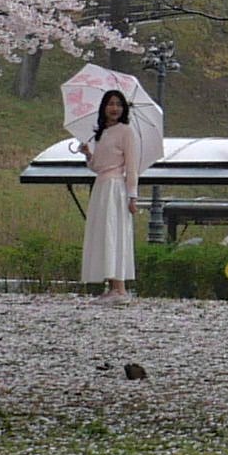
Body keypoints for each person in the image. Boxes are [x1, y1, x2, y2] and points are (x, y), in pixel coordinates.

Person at [81, 89, 145, 300]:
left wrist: (132, 196)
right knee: (102, 233)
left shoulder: (126, 132)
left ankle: (120, 287)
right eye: (110, 104)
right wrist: (88, 154)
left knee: (114, 232)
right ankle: (111, 286)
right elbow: (98, 166)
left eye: (118, 104)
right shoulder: (101, 133)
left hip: (115, 188)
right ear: (103, 107)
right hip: (101, 186)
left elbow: (132, 166)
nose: (114, 108)